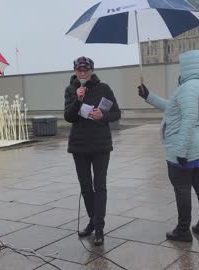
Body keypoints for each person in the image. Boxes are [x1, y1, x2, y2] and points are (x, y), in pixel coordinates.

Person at [137, 50, 199, 242]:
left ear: (188, 66)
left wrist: (180, 150)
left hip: (187, 147)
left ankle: (183, 230)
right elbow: (174, 108)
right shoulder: (197, 85)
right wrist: (149, 96)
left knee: (182, 188)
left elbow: (189, 119)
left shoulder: (188, 88)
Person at [64, 56, 121, 246]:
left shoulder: (104, 88)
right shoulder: (71, 90)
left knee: (100, 186)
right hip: (79, 146)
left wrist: (102, 115)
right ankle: (92, 220)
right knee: (86, 187)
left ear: (92, 70)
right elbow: (69, 117)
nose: (82, 74)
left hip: (100, 145)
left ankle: (99, 228)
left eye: (86, 70)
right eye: (79, 70)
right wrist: (78, 100)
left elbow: (116, 113)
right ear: (74, 71)